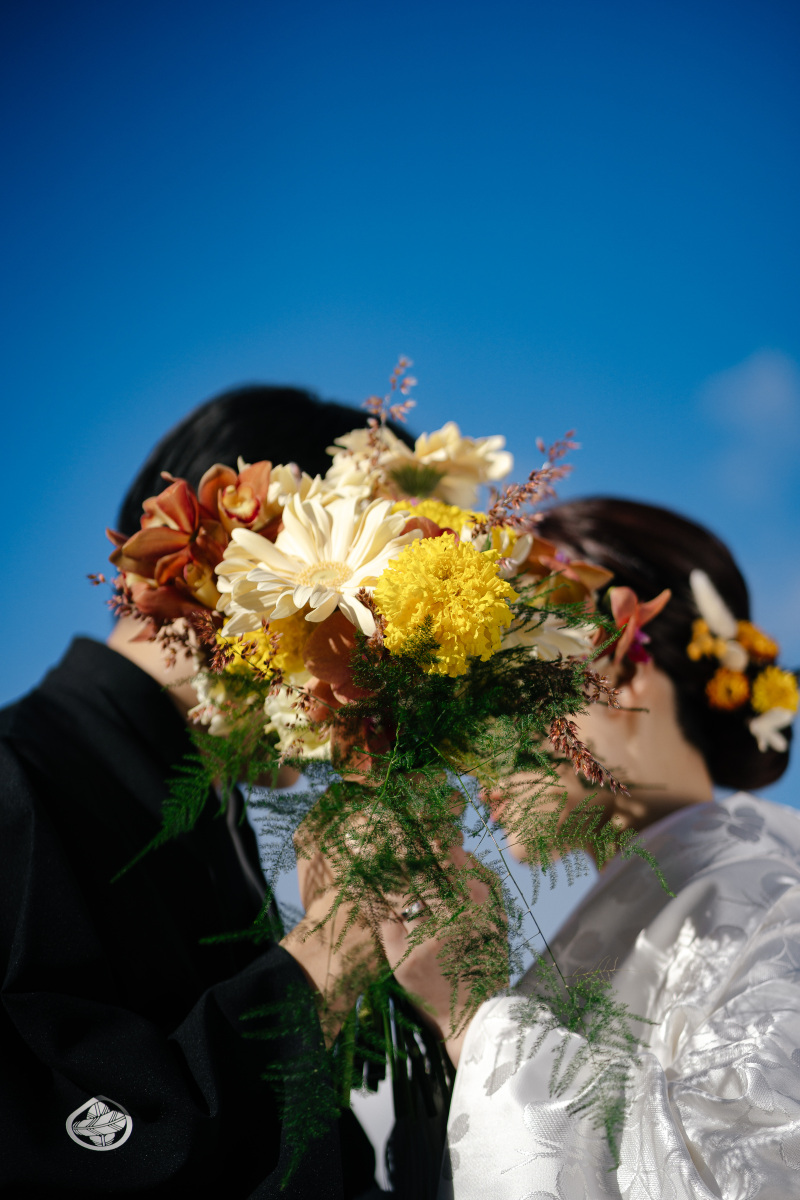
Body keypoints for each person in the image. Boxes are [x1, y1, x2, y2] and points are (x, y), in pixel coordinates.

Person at [0, 385, 414, 1199]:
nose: (382, 655)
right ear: (238, 555)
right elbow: (49, 1148)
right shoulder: (18, 778)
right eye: (371, 594)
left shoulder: (201, 811)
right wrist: (318, 968)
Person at [382, 497, 800, 1199]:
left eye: (504, 694)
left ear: (625, 667)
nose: (473, 754)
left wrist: (474, 1022)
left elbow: (740, 1177)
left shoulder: (766, 891)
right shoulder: (673, 892)